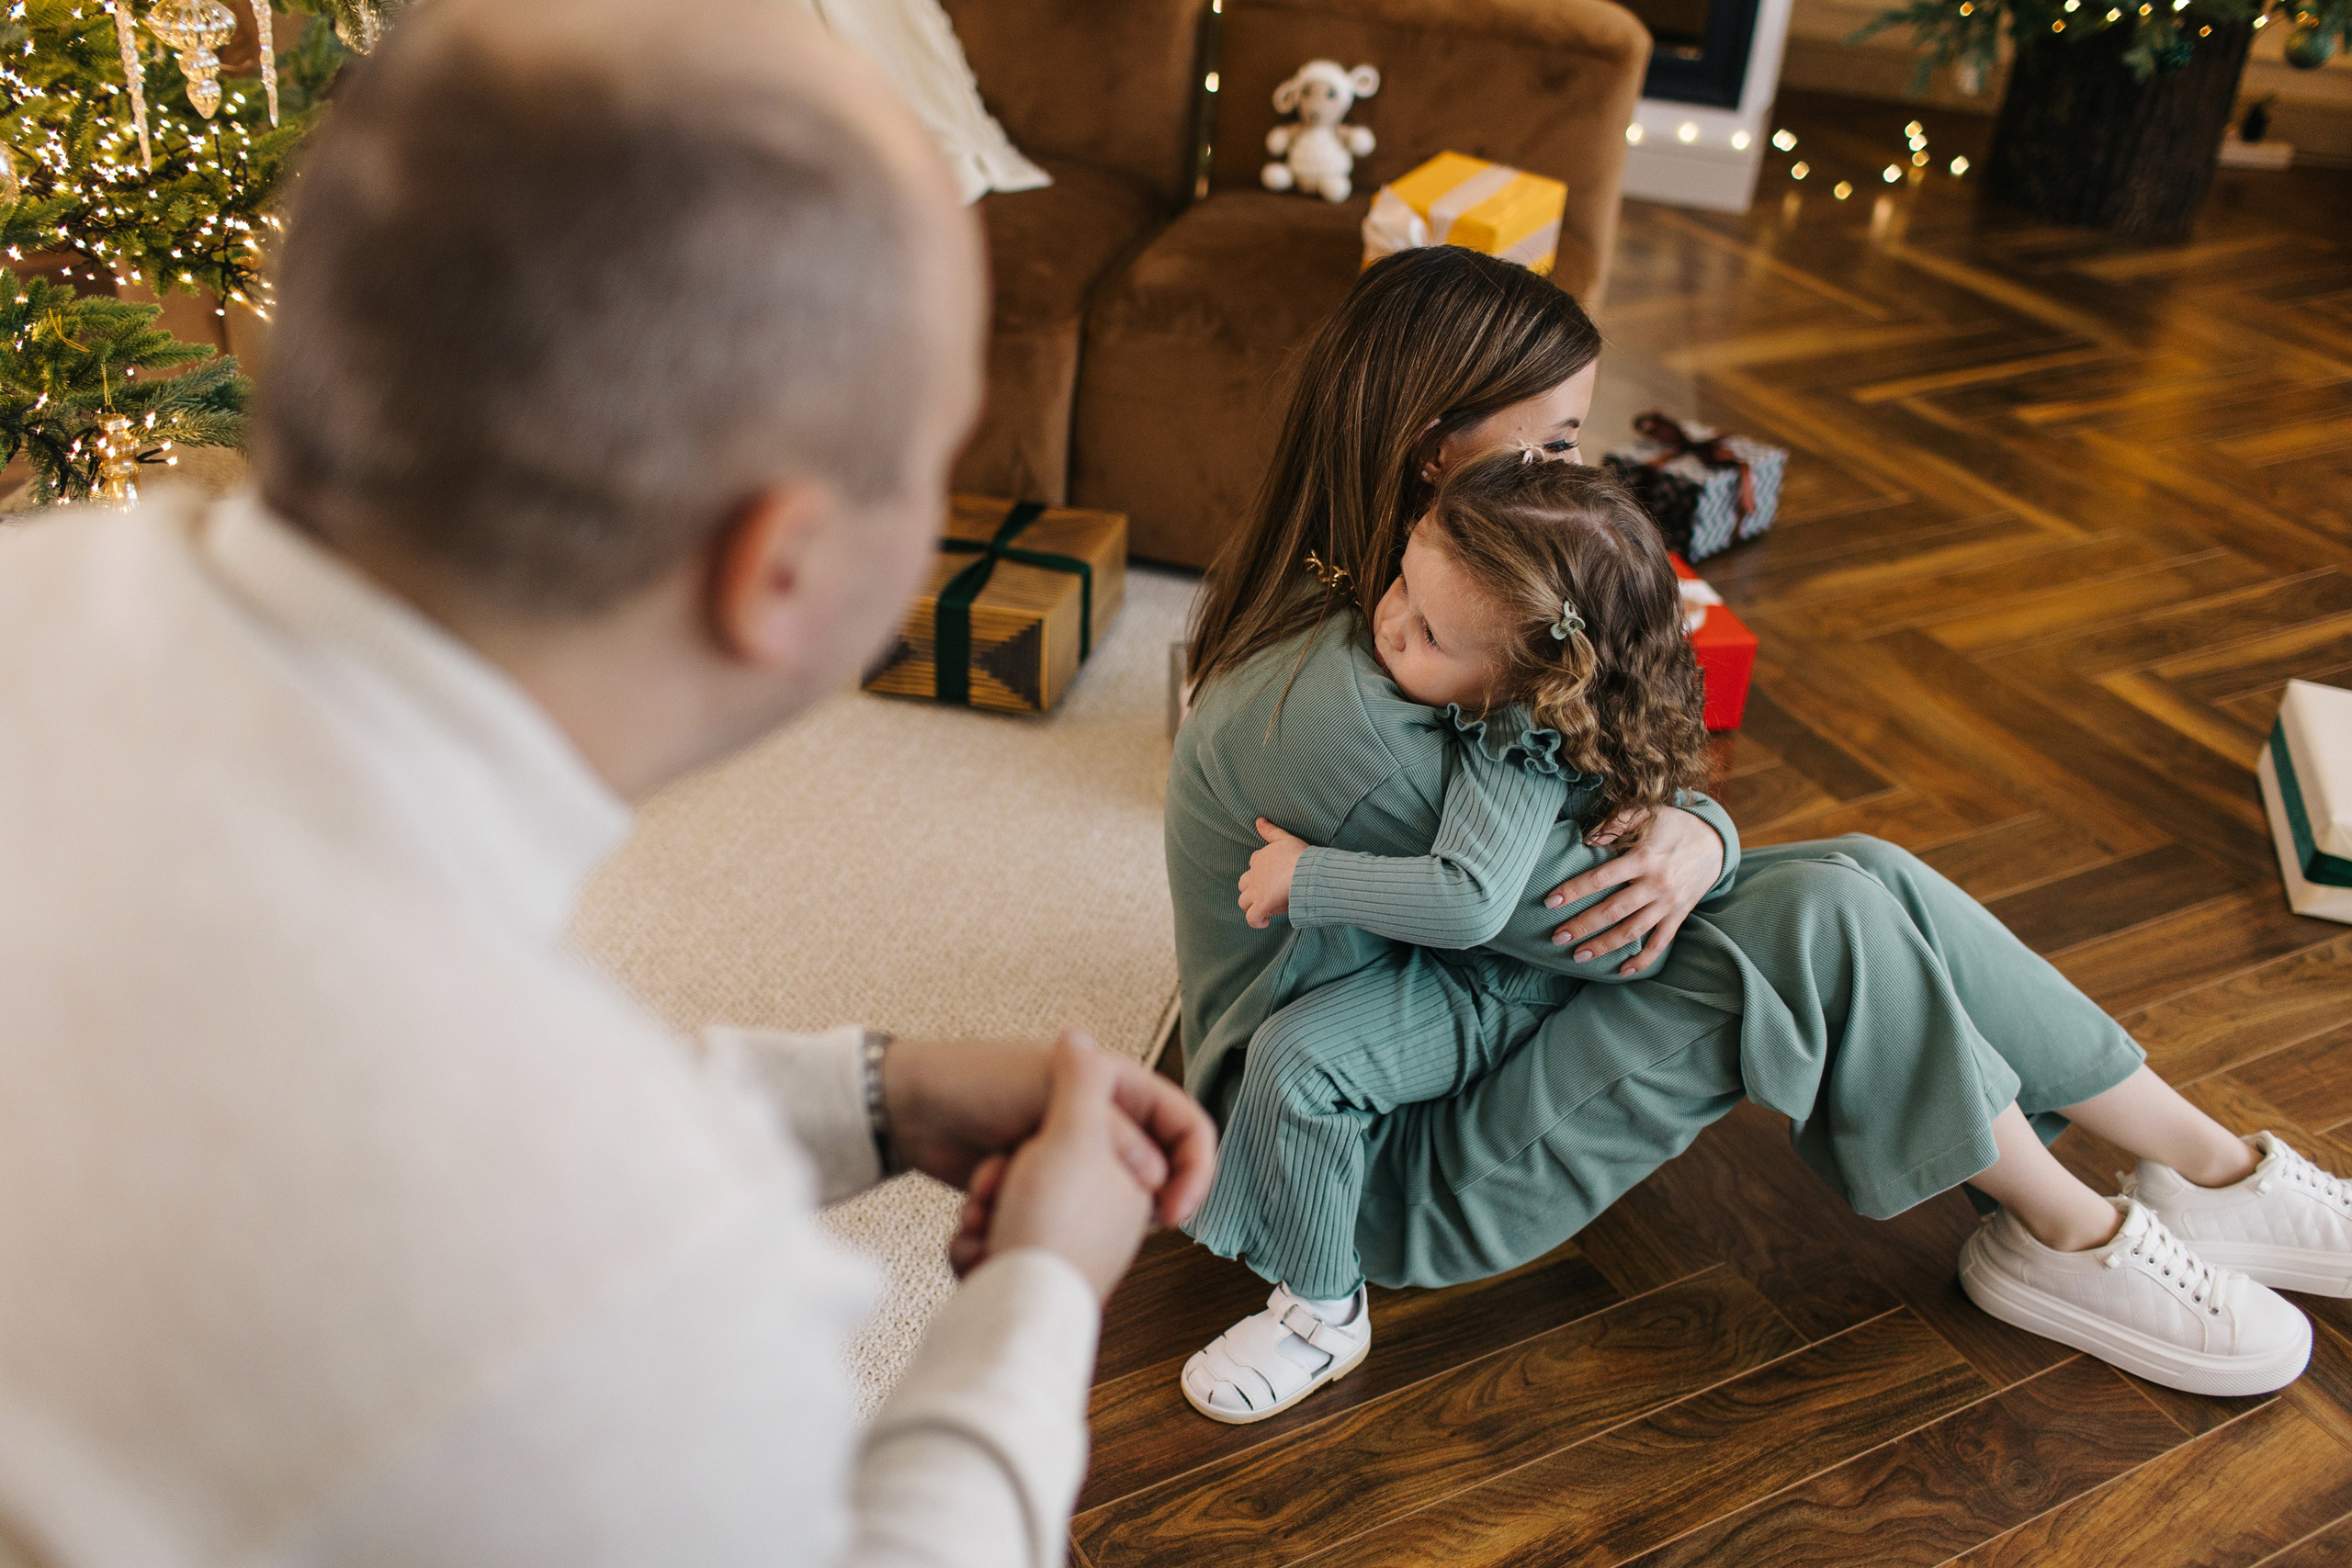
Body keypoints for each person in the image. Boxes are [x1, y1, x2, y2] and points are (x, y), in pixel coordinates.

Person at [0, 3, 1216, 1566]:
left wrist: (858, 1096)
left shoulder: (45, 581)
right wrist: (1040, 1300)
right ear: (780, 567)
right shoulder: (618, 1278)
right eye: (935, 456)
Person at [1165, 244, 2352, 1426]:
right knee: (1829, 917)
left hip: (1458, 1017)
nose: (1577, 471)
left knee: (1864, 874)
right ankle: (2067, 1233)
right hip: (1366, 1169)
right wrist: (1703, 838)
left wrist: (1703, 836)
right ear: (1437, 447)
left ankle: (2209, 1171)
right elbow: (1599, 932)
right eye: (1557, 442)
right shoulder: (1352, 702)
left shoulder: (1409, 591)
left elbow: (1588, 834)